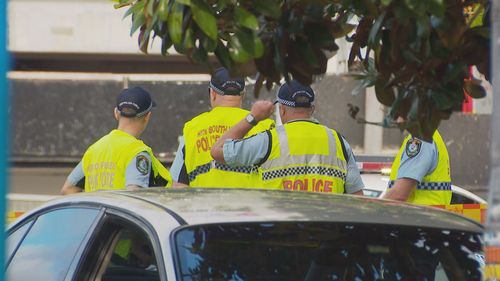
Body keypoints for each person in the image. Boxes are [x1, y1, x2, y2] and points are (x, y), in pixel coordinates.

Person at [211, 80, 364, 194]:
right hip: (326, 232)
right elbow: (357, 196)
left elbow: (217, 150)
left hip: (281, 233)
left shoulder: (269, 141)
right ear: (312, 109)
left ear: (282, 109)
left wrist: (253, 117)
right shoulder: (338, 142)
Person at [169, 67, 274, 187]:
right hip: (250, 204)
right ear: (243, 94)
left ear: (212, 93)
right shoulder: (264, 125)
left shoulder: (192, 128)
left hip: (203, 204)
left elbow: (179, 186)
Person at [60, 86, 172, 194]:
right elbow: (134, 194)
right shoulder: (137, 152)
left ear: (116, 113)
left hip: (100, 213)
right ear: (148, 116)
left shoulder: (94, 150)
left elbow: (68, 189)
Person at [383, 129, 452, 205]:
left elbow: (399, 195)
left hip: (417, 214)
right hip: (429, 214)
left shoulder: (421, 138)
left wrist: (376, 211)